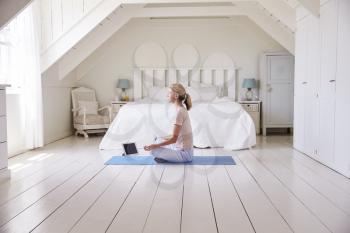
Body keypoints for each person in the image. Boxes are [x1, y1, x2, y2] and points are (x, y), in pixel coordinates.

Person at [144, 83, 193, 163]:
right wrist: (162, 139)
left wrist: (155, 146)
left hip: (184, 154)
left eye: (169, 93)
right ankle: (167, 156)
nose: (167, 95)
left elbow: (174, 139)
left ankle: (167, 157)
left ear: (176, 96)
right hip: (180, 148)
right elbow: (176, 136)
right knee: (157, 139)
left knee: (153, 151)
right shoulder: (181, 109)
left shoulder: (179, 112)